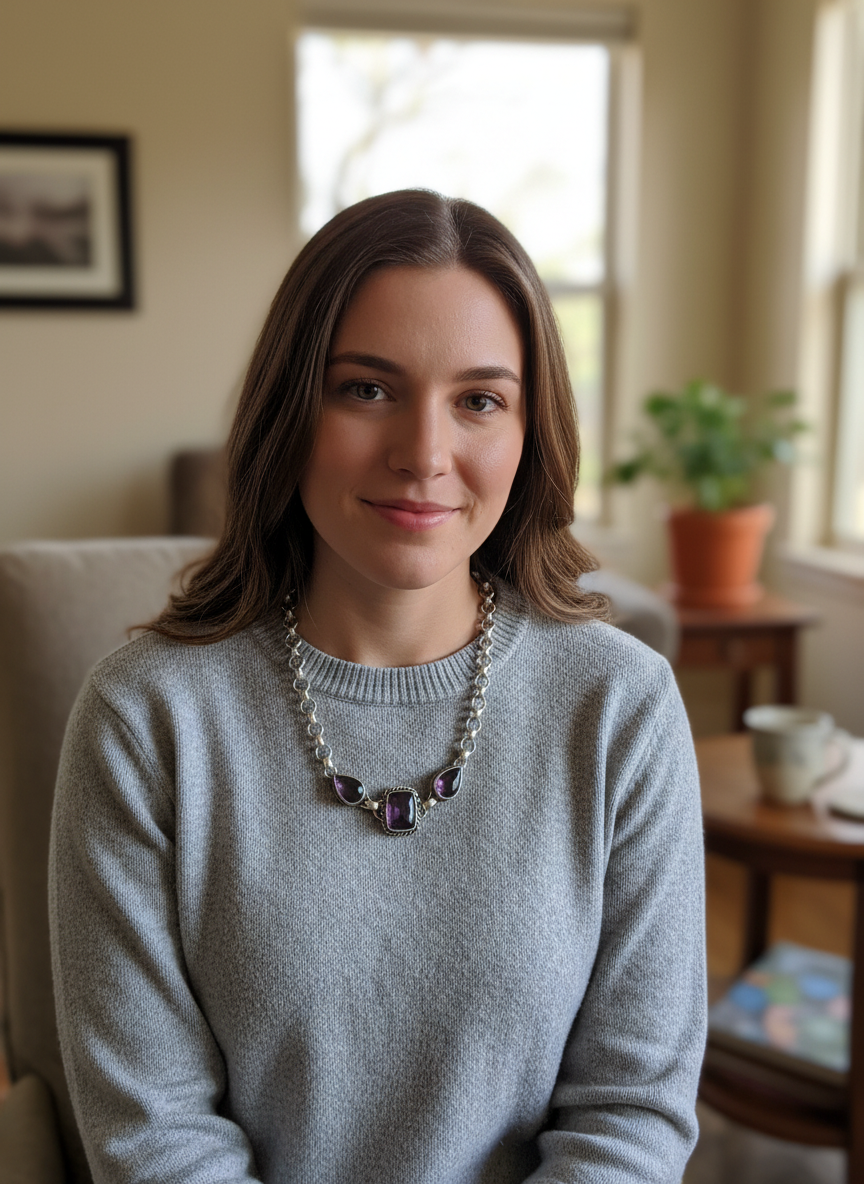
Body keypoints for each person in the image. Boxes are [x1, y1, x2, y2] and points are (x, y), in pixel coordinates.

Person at [49, 189, 707, 1184]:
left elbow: (632, 1115)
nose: (424, 456)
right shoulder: (146, 717)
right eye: (366, 388)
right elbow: (154, 1134)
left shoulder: (621, 707)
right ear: (291, 408)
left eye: (480, 399)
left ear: (530, 431)